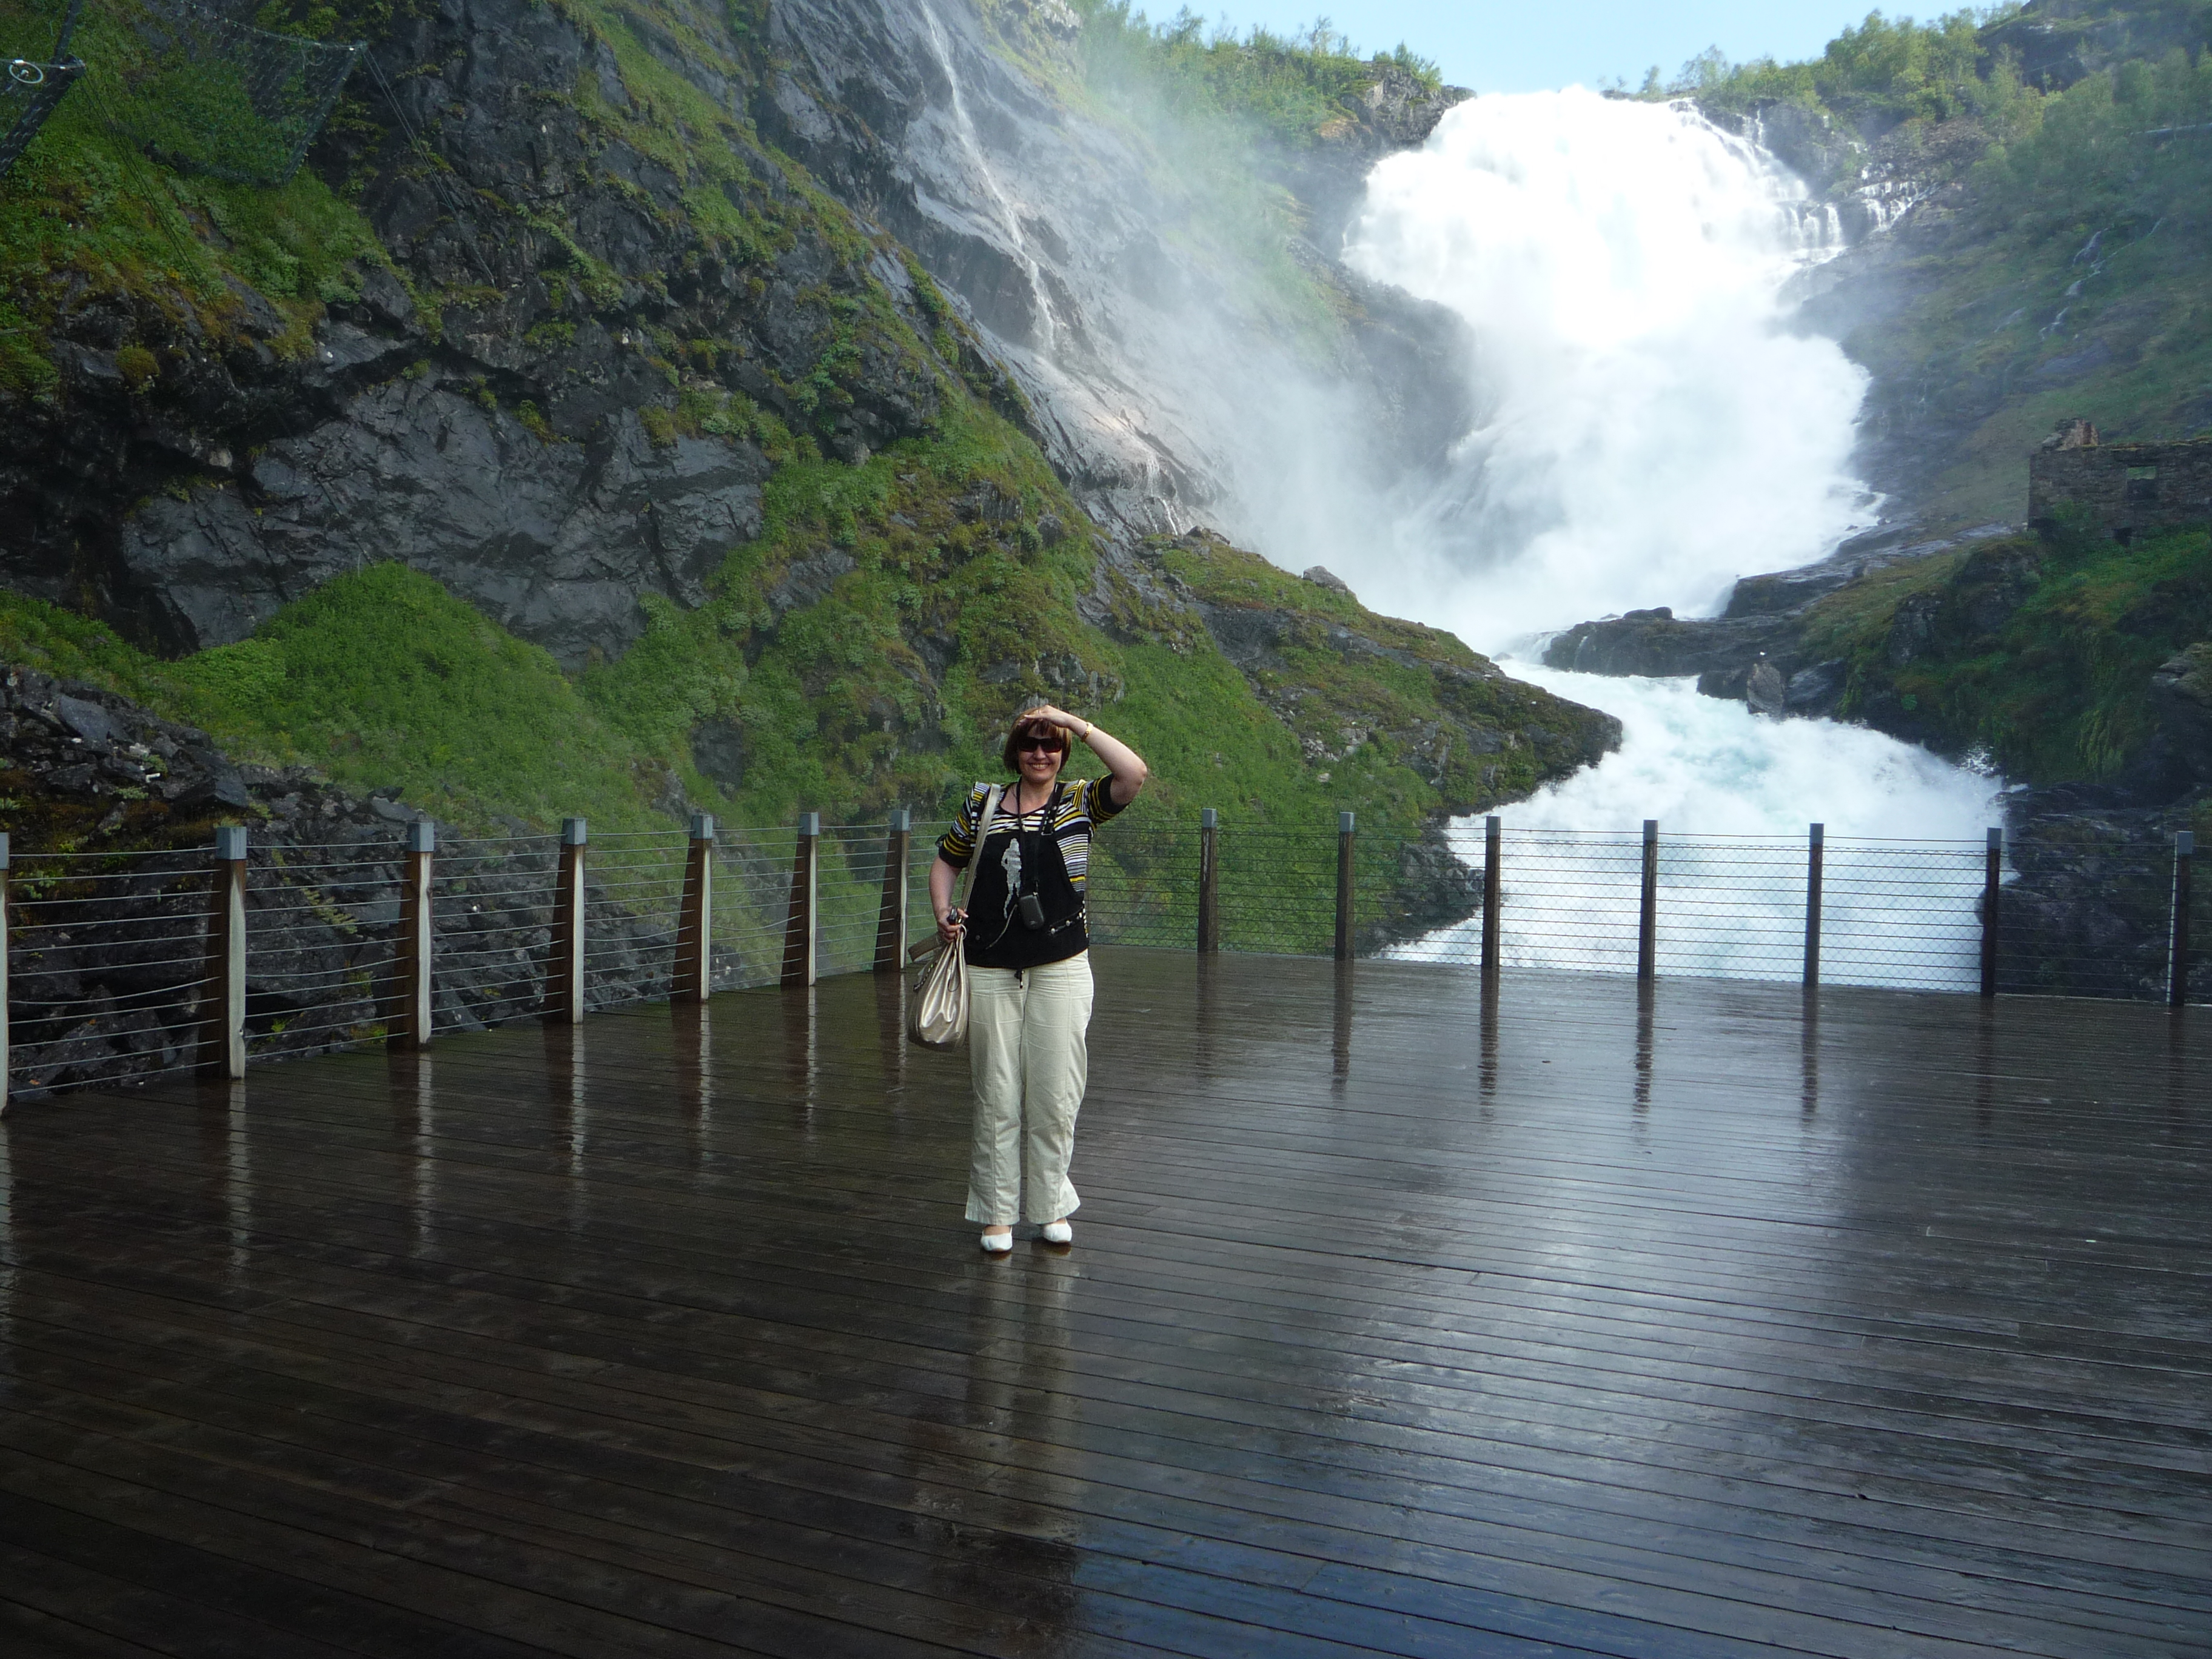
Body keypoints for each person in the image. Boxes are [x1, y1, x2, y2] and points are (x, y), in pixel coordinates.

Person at [930, 703, 1148, 1253]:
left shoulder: (1079, 802)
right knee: (995, 1094)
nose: (1041, 753)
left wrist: (1075, 722)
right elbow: (946, 862)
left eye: (1052, 744)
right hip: (988, 966)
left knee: (1056, 1095)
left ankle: (1051, 1207)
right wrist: (942, 912)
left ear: (1064, 752)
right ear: (1015, 752)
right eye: (1030, 743)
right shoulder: (983, 803)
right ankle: (996, 1215)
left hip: (1060, 967)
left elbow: (1133, 774)